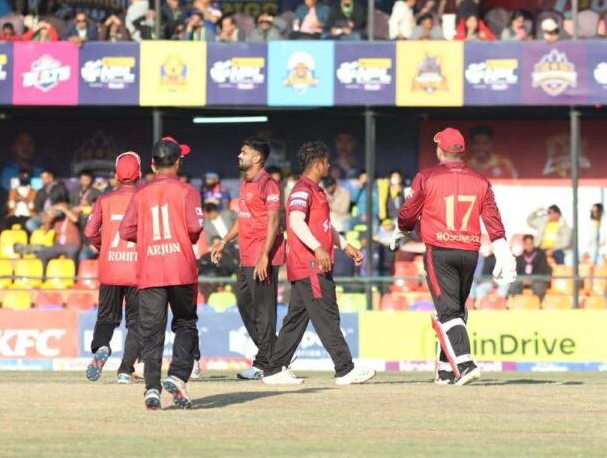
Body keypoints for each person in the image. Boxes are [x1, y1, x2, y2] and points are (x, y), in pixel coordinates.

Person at [393, 127, 516, 386]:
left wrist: (402, 228)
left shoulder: (427, 176)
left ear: (440, 150)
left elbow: (408, 211)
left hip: (440, 251)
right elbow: (492, 218)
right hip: (469, 252)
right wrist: (502, 249)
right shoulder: (480, 180)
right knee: (456, 309)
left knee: (448, 312)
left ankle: (465, 364)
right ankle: (446, 370)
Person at [261, 141, 374, 386]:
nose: (329, 165)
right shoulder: (302, 190)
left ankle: (274, 369)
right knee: (327, 315)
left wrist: (345, 246)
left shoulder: (316, 190)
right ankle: (345, 369)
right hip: (311, 266)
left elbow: (324, 227)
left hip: (311, 265)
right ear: (319, 163)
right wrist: (317, 248)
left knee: (295, 320)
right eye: (327, 161)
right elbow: (295, 221)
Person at [119, 137, 202, 410]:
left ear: (153, 164)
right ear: (178, 162)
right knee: (185, 324)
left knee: (151, 333)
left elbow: (125, 231)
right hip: (181, 268)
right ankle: (177, 376)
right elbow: (194, 228)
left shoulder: (140, 194)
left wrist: (148, 236)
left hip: (151, 271)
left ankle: (152, 389)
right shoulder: (188, 190)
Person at [211, 137, 284, 380]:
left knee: (264, 312)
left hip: (262, 257)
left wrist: (264, 256)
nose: (239, 155)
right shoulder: (245, 183)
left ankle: (269, 362)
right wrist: (224, 241)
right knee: (245, 305)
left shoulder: (268, 184)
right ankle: (274, 355)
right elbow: (242, 218)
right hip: (245, 256)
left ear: (257, 158)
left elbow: (273, 221)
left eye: (244, 152)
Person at [83, 152, 143, 384]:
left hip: (110, 267)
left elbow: (90, 231)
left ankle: (102, 346)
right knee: (136, 322)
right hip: (138, 269)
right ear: (139, 173)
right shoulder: (145, 198)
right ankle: (125, 370)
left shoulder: (104, 199)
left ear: (116, 175)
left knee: (106, 317)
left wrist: (104, 246)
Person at [507, 234, 551, 301]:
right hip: (522, 280)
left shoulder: (540, 255)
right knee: (513, 285)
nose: (529, 246)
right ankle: (513, 303)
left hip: (536, 280)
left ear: (533, 243)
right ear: (524, 244)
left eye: (531, 243)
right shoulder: (520, 257)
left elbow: (542, 270)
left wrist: (532, 279)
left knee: (539, 288)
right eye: (527, 244)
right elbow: (517, 271)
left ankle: (539, 305)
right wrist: (523, 279)